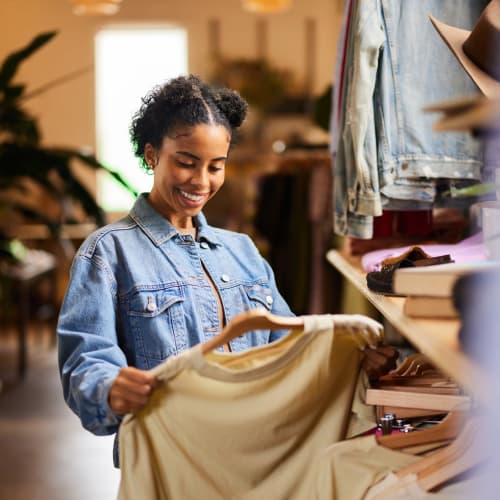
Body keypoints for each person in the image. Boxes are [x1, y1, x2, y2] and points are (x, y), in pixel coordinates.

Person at [57, 75, 397, 459]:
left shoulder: (243, 251)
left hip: (256, 454)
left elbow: (290, 347)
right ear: (152, 155)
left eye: (215, 166)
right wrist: (111, 388)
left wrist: (352, 362)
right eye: (186, 163)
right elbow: (85, 362)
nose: (201, 181)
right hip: (168, 458)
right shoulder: (107, 252)